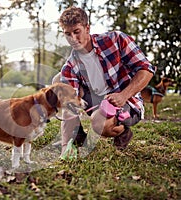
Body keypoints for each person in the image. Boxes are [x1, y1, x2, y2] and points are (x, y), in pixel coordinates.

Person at [52, 6, 156, 155]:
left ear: (87, 28)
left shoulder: (115, 40)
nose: (73, 39)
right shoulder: (70, 66)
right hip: (97, 102)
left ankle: (122, 132)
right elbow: (69, 108)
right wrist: (64, 147)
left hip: (126, 101)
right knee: (59, 83)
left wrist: (123, 95)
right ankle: (77, 137)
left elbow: (146, 69)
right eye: (67, 34)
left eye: (77, 32)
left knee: (100, 125)